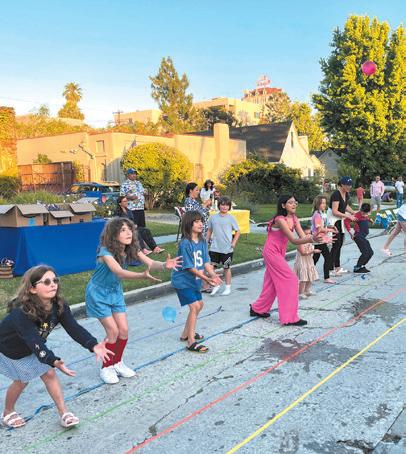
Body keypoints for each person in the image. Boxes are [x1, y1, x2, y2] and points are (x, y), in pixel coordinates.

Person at [0, 265, 113, 429]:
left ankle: (64, 413)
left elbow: (73, 328)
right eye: (46, 282)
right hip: (10, 350)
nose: (53, 284)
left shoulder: (58, 305)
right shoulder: (21, 313)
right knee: (22, 381)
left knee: (49, 373)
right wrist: (52, 360)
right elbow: (33, 340)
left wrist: (93, 344)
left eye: (55, 280)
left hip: (33, 346)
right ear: (32, 289)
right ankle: (7, 412)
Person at [85, 217, 181, 384]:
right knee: (113, 331)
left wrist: (164, 265)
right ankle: (106, 367)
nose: (128, 233)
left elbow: (150, 262)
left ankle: (117, 362)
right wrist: (142, 275)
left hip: (115, 292)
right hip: (98, 294)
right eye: (123, 230)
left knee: (123, 330)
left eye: (129, 229)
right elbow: (119, 272)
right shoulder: (105, 252)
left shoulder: (131, 249)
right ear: (113, 234)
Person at [249, 195, 323, 325]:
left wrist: (317, 238)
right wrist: (312, 239)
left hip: (279, 253)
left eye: (295, 202)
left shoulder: (294, 218)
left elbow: (302, 236)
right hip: (272, 253)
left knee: (271, 283)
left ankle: (257, 309)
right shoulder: (280, 220)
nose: (294, 205)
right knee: (291, 280)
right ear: (283, 205)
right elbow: (294, 240)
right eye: (290, 203)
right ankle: (289, 318)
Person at [171, 211, 222, 353]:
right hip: (182, 281)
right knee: (194, 307)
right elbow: (189, 267)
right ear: (189, 224)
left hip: (195, 281)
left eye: (201, 221)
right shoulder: (185, 243)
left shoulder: (203, 241)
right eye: (197, 221)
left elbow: (206, 262)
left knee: (200, 305)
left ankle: (186, 334)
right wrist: (206, 279)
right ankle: (191, 342)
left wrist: (213, 275)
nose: (201, 224)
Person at [206, 196, 240, 296]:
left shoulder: (231, 218)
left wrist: (233, 243)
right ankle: (215, 284)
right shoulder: (213, 217)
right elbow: (209, 231)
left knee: (226, 268)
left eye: (226, 205)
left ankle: (228, 287)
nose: (224, 207)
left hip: (227, 249)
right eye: (222, 205)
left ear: (229, 207)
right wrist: (206, 242)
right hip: (214, 247)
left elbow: (238, 231)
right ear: (219, 205)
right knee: (211, 267)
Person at [328, 176, 357, 276]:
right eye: (348, 185)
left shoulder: (346, 194)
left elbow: (345, 206)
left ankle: (337, 267)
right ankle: (330, 268)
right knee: (336, 244)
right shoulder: (336, 194)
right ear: (342, 185)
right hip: (333, 221)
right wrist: (348, 216)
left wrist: (353, 212)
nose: (350, 187)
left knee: (339, 244)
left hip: (339, 220)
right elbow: (335, 211)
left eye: (350, 185)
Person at [311, 195, 336, 284]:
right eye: (322, 203)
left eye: (325, 203)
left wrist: (331, 226)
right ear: (318, 204)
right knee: (328, 258)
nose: (324, 205)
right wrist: (330, 230)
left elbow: (324, 225)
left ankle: (310, 274)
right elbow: (319, 229)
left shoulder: (321, 213)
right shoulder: (317, 215)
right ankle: (326, 277)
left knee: (315, 258)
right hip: (319, 239)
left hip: (320, 239)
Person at [344, 203, 374, 273]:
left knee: (370, 252)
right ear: (361, 210)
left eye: (366, 213)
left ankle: (361, 266)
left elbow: (365, 218)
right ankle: (357, 268)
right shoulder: (357, 215)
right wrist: (351, 232)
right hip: (358, 236)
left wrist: (369, 220)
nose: (364, 215)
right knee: (365, 252)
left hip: (363, 237)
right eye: (363, 213)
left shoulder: (365, 215)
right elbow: (346, 221)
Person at [293, 225, 320, 299]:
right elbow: (303, 253)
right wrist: (313, 251)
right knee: (304, 278)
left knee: (310, 276)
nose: (308, 235)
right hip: (302, 261)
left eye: (309, 233)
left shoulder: (309, 240)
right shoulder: (300, 242)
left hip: (309, 260)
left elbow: (319, 240)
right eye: (306, 234)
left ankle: (307, 290)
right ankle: (301, 293)